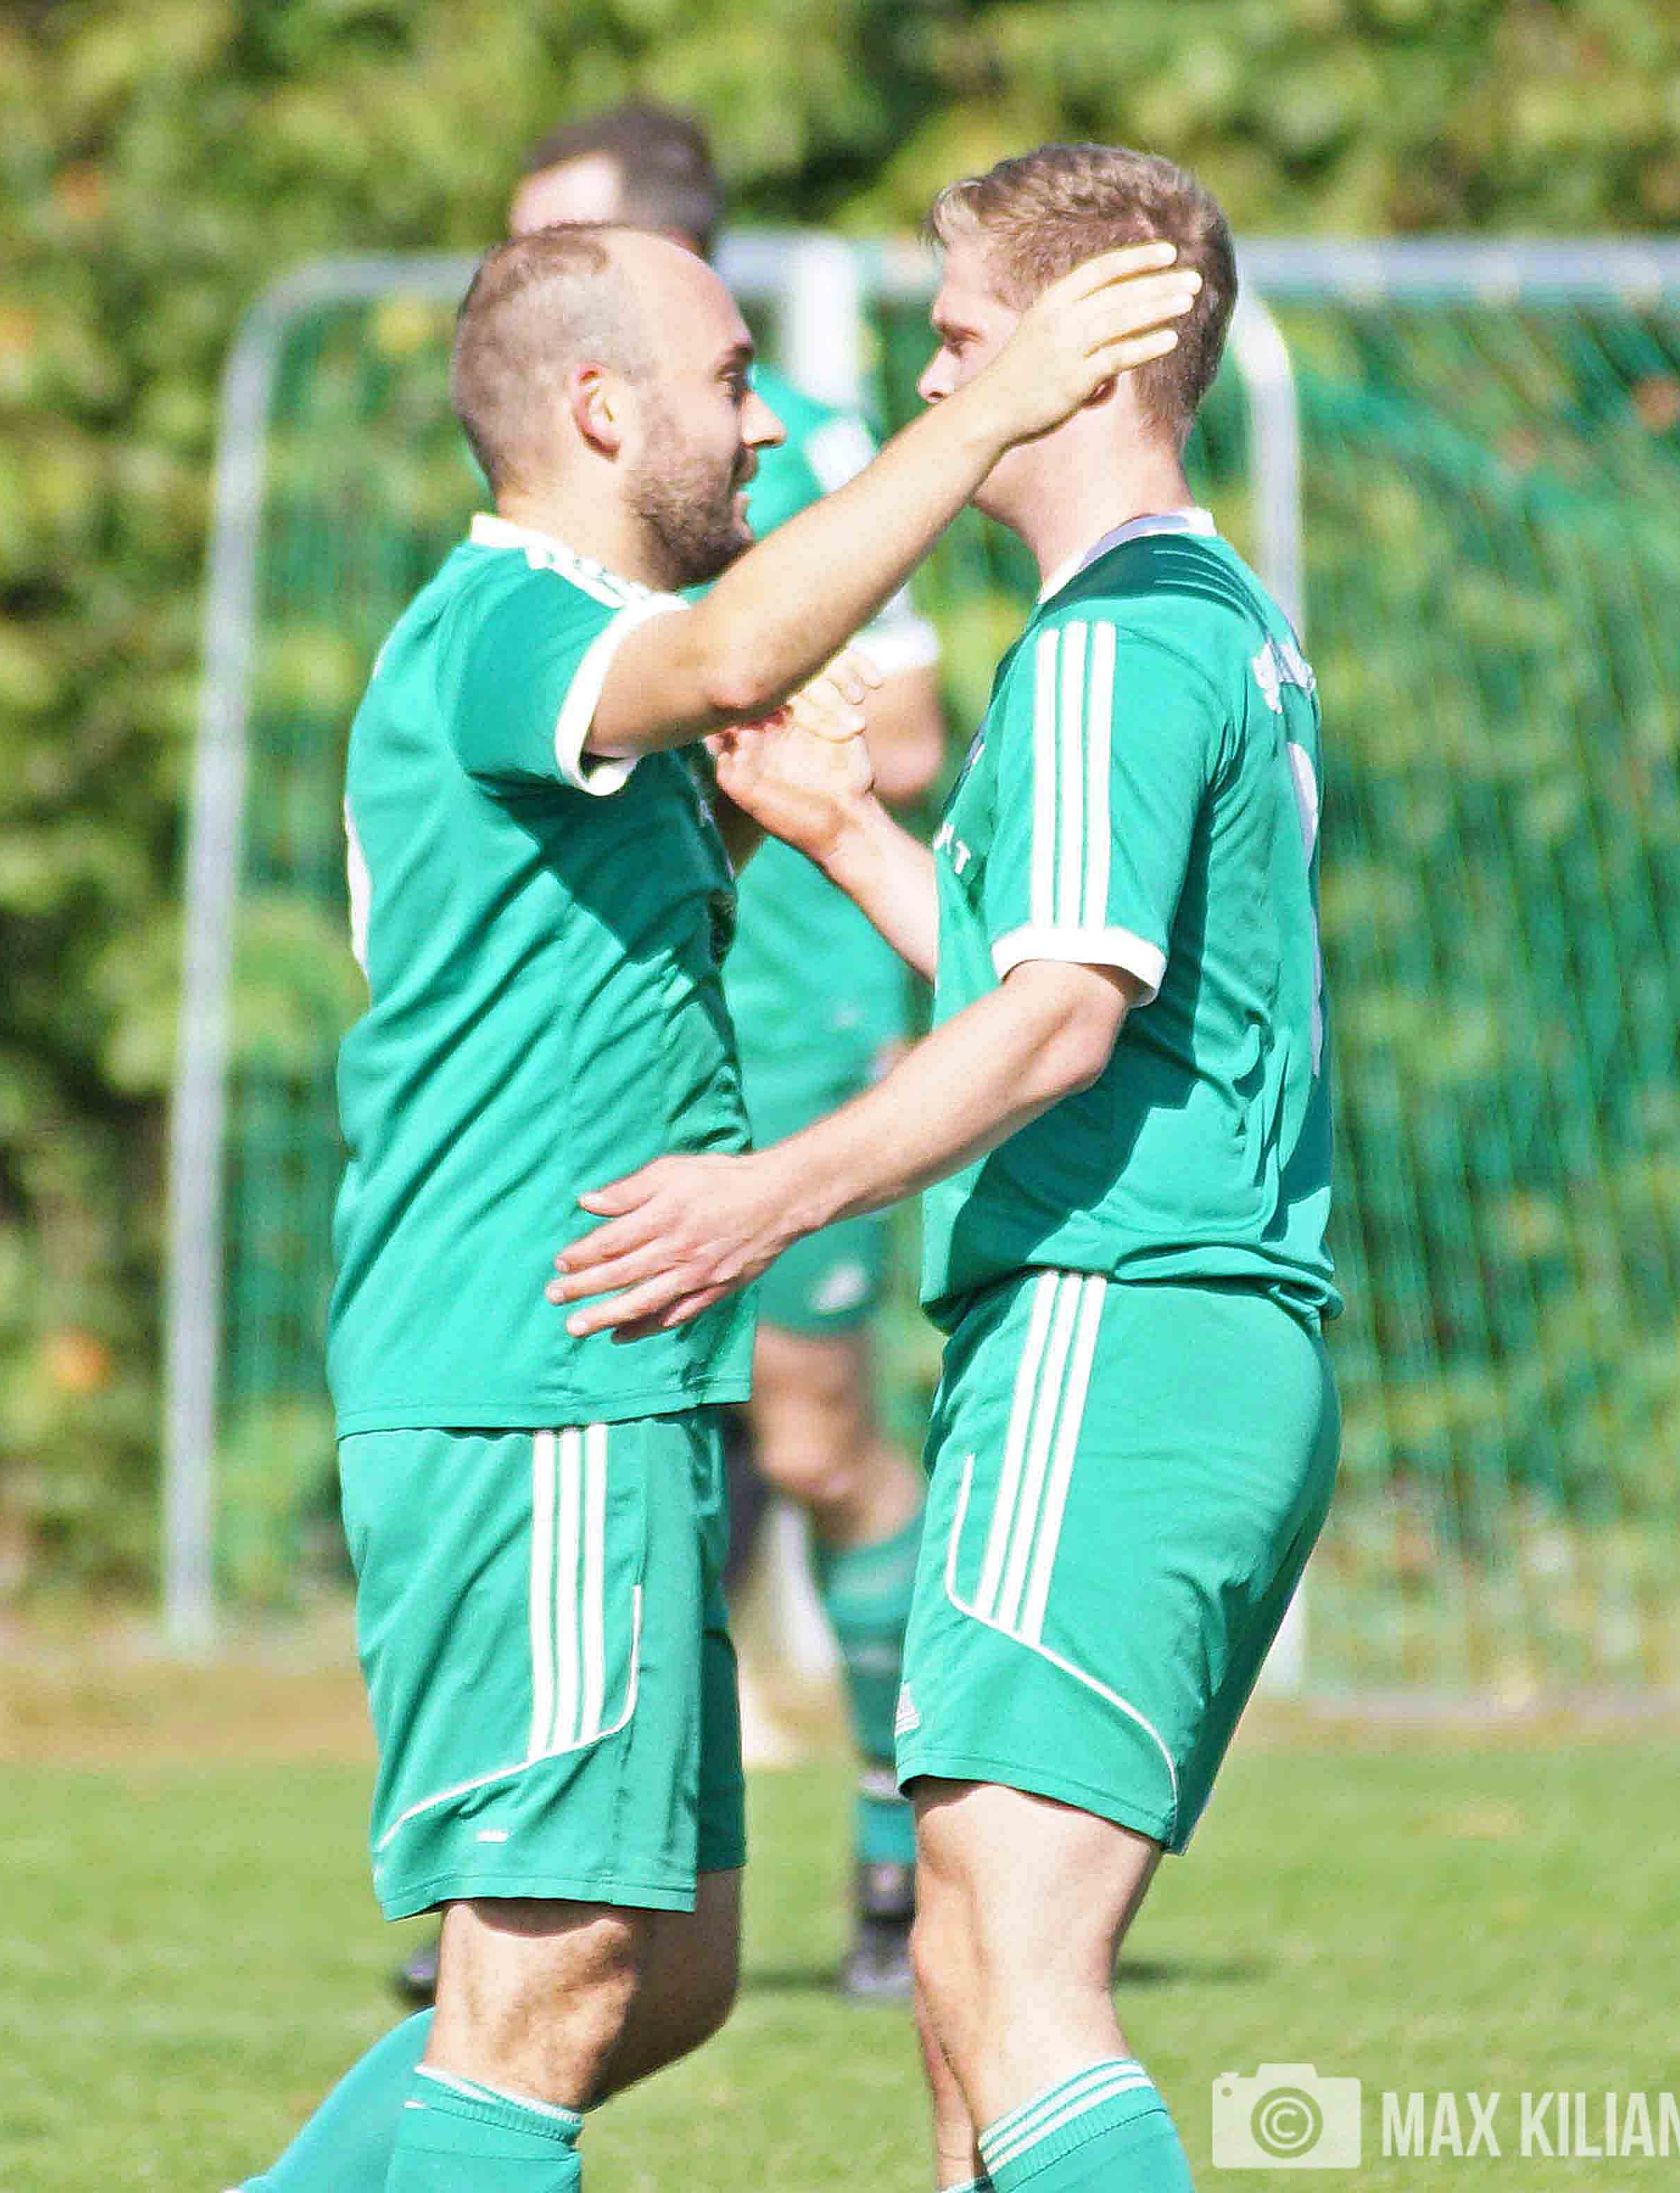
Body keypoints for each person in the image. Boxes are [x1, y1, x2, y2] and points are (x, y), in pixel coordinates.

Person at [233, 215, 1198, 2192]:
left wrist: (791, 826)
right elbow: (738, 647)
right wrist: (996, 409)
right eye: (735, 385)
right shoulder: (510, 616)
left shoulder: (585, 677)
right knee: (551, 1976)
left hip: (622, 1377)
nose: (767, 430)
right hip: (532, 1371)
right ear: (602, 411)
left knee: (664, 1974)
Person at [549, 145, 1330, 2193]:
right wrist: (846, 834)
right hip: (1180, 1338)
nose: (928, 384)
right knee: (977, 1985)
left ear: (1096, 351)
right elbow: (1076, 985)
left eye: (967, 340)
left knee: (1014, 1982)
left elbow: (1058, 1028)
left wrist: (769, 1193)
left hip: (1120, 1325)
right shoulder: (1202, 615)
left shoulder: (1109, 648)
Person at [485, 99, 949, 2005]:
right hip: (620, 1014)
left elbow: (901, 740)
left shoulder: (805, 461)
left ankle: (906, 1854)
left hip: (796, 1007)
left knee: (816, 1437)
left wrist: (733, 713)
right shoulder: (539, 498)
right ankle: (542, 1886)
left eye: (553, 239)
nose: (511, 277)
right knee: (580, 1414)